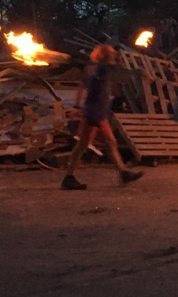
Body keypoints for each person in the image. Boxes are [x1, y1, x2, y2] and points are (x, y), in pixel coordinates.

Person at [62, 45, 144, 190]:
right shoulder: (101, 69)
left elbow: (82, 86)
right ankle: (69, 178)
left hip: (96, 110)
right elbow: (119, 76)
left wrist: (77, 106)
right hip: (95, 111)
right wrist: (137, 72)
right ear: (104, 56)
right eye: (111, 53)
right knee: (95, 143)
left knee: (90, 144)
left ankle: (122, 172)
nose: (114, 55)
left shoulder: (93, 68)